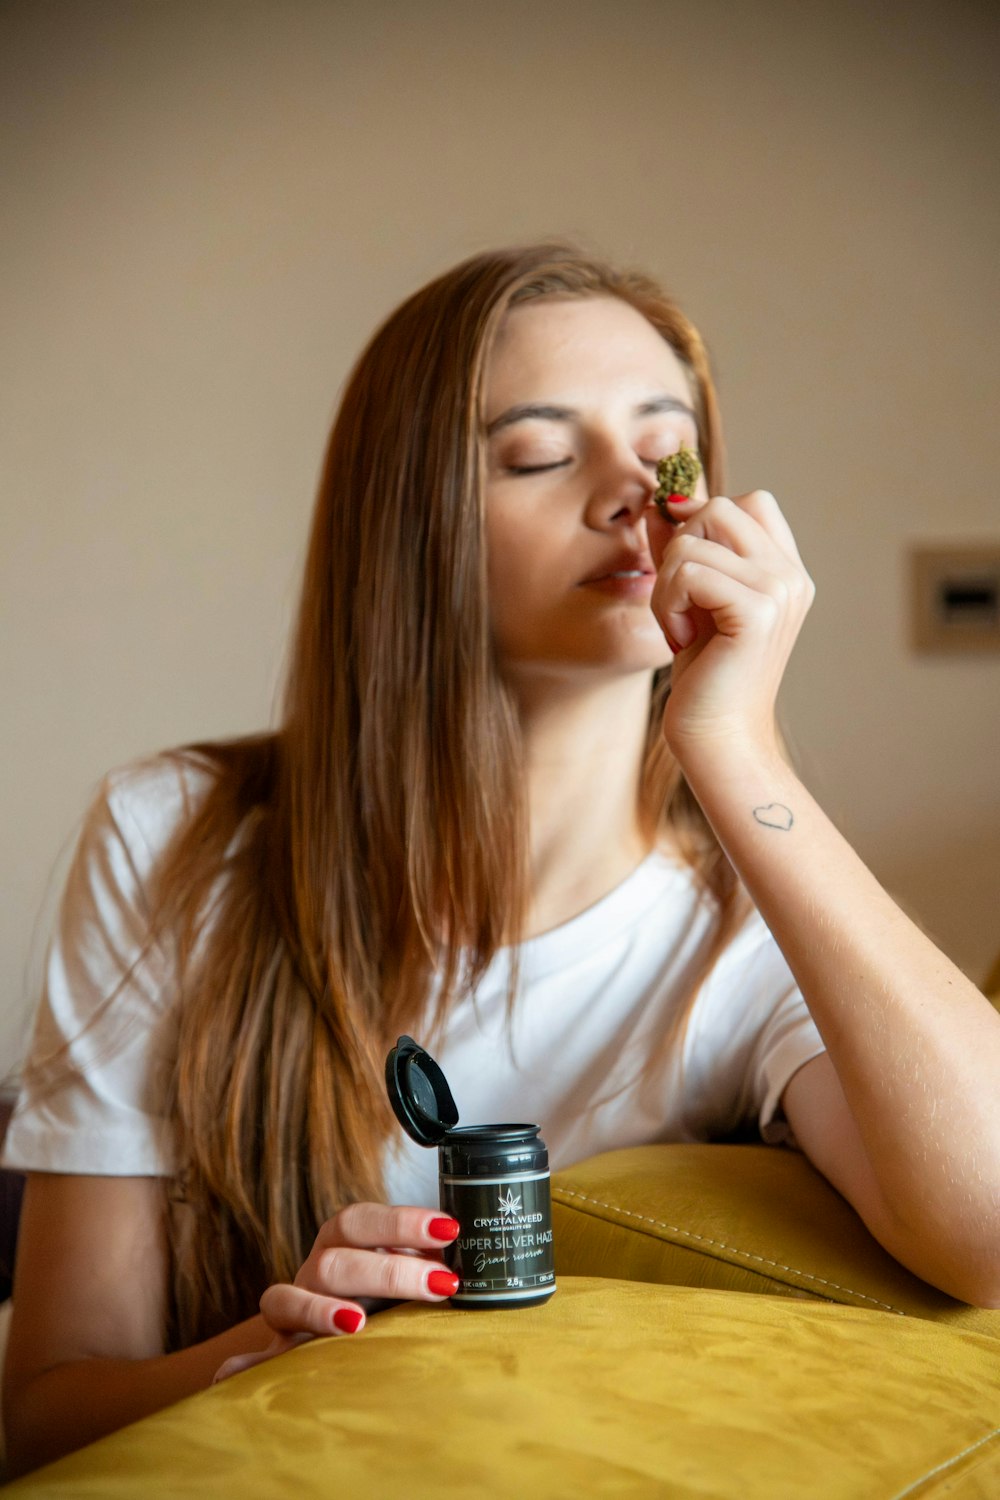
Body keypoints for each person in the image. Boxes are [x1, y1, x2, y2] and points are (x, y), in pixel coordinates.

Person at [3, 244, 999, 1476]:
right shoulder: (173, 838)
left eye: (665, 444)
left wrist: (737, 746)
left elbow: (992, 1228)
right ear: (405, 525)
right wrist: (261, 1356)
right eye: (539, 454)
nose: (634, 491)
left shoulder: (738, 929)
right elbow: (42, 1411)